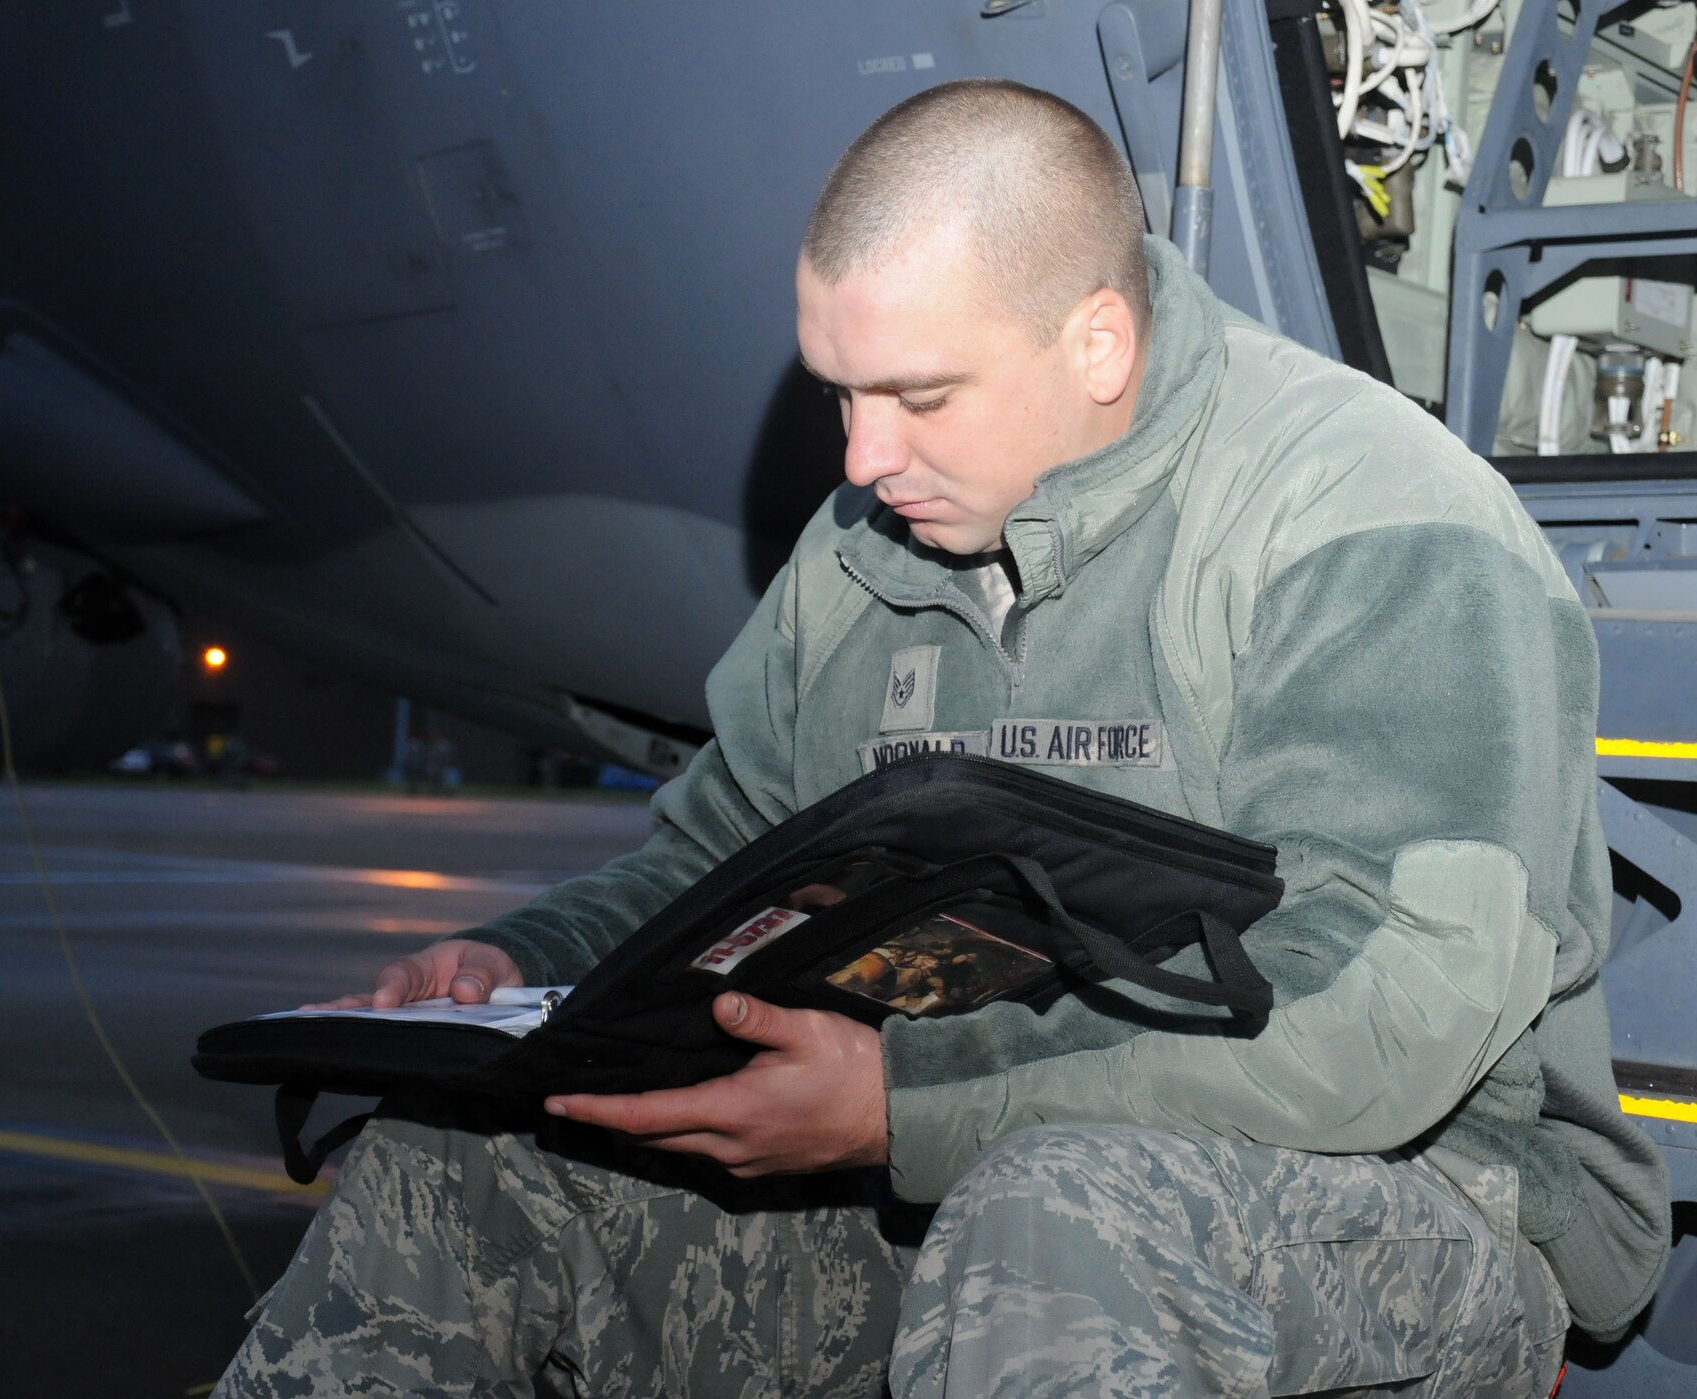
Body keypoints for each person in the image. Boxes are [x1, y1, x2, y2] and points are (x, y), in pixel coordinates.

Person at [219, 80, 1669, 1396]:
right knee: (453, 1173)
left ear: (1097, 339)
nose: (860, 461)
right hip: (950, 1183)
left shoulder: (1366, 519)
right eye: (840, 395)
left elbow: (1378, 1022)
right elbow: (721, 855)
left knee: (1057, 1216)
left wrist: (900, 1111)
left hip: (1419, 1201)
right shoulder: (868, 550)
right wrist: (521, 970)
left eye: (917, 397)